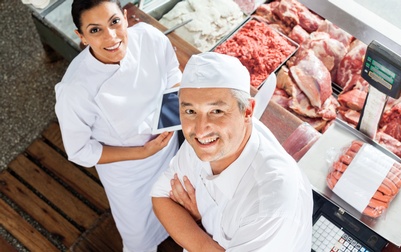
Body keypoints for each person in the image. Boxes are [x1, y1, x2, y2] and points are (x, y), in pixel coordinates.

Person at [151, 52, 314, 251]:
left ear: (247, 111)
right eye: (190, 111)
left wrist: (198, 222)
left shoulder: (272, 203)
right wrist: (205, 239)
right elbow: (160, 197)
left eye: (217, 111)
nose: (200, 129)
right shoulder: (206, 142)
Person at [54, 1, 182, 251]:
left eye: (114, 22)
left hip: (172, 151)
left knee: (182, 206)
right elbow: (80, 151)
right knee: (139, 235)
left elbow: (172, 75)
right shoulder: (75, 90)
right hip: (130, 175)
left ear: (125, 17)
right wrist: (142, 152)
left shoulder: (149, 37)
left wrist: (167, 123)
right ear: (80, 36)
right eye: (95, 30)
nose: (111, 37)